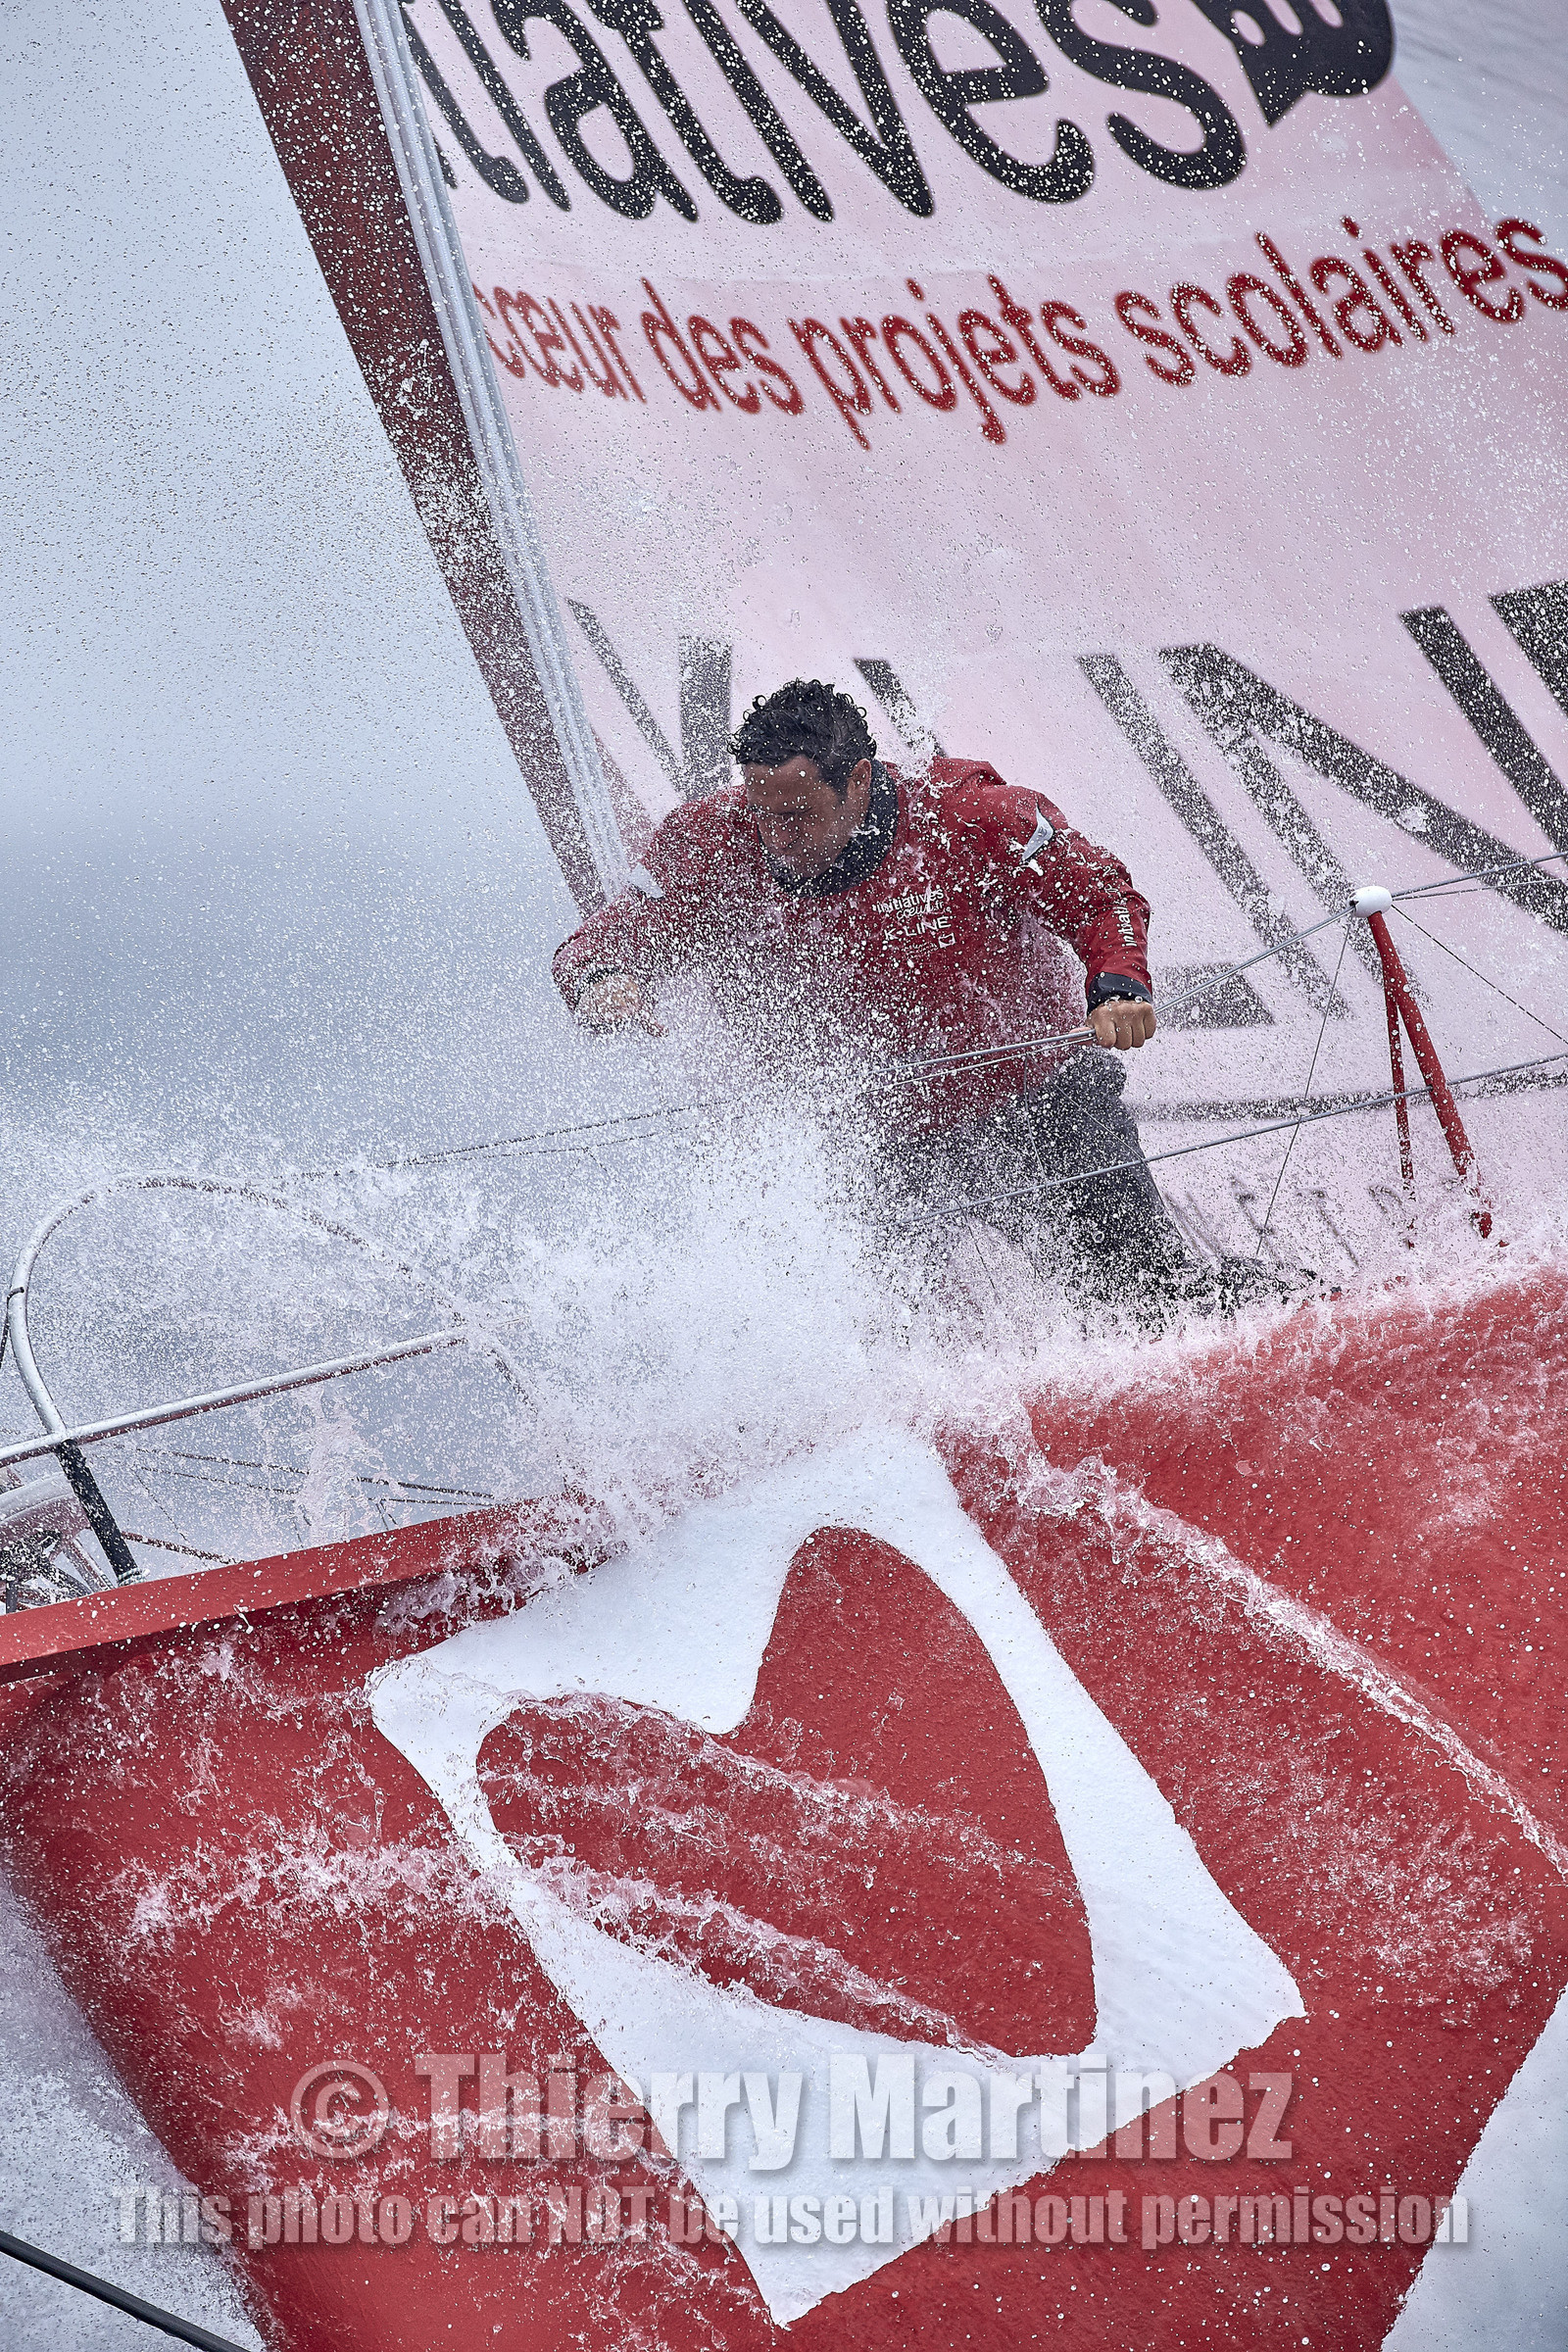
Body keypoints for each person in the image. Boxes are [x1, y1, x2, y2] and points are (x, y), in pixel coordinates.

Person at [555, 677, 1272, 1318]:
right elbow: (602, 939)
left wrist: (1117, 985)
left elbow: (1100, 895)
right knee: (866, 1335)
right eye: (762, 811)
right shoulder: (713, 843)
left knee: (1140, 1298)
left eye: (799, 814)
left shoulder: (968, 817)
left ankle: (1260, 1303)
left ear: (859, 781)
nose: (776, 838)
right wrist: (603, 980)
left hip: (1040, 1094)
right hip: (876, 1140)